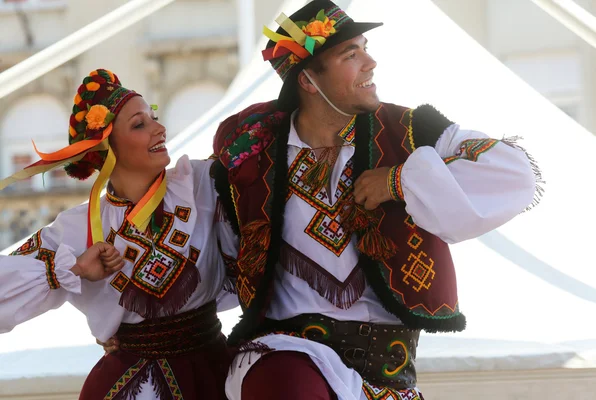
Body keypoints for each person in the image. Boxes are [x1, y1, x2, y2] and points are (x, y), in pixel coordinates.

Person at [210, 1, 542, 399]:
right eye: (351, 54)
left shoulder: (410, 130)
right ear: (309, 81)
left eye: (365, 47)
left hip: (387, 373)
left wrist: (401, 180)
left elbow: (514, 173)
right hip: (288, 355)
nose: (371, 62)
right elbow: (210, 246)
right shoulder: (256, 157)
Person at [0, 69, 238, 400]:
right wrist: (73, 268)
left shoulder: (199, 184)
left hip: (213, 370)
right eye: (140, 124)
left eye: (154, 117)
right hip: (132, 384)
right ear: (108, 148)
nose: (160, 128)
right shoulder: (78, 227)